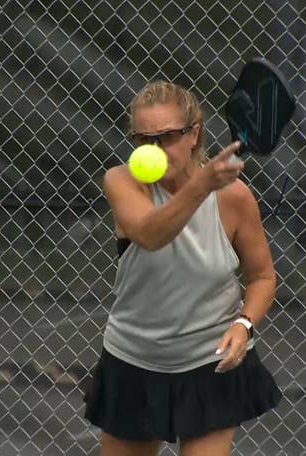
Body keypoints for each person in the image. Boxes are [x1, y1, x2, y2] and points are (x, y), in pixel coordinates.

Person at [83, 80, 282, 456]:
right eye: (143, 139)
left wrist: (244, 324)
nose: (155, 149)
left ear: (194, 134)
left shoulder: (236, 198)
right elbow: (149, 233)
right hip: (134, 360)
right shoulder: (123, 180)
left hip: (210, 362)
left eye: (168, 136)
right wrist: (201, 186)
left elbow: (262, 277)